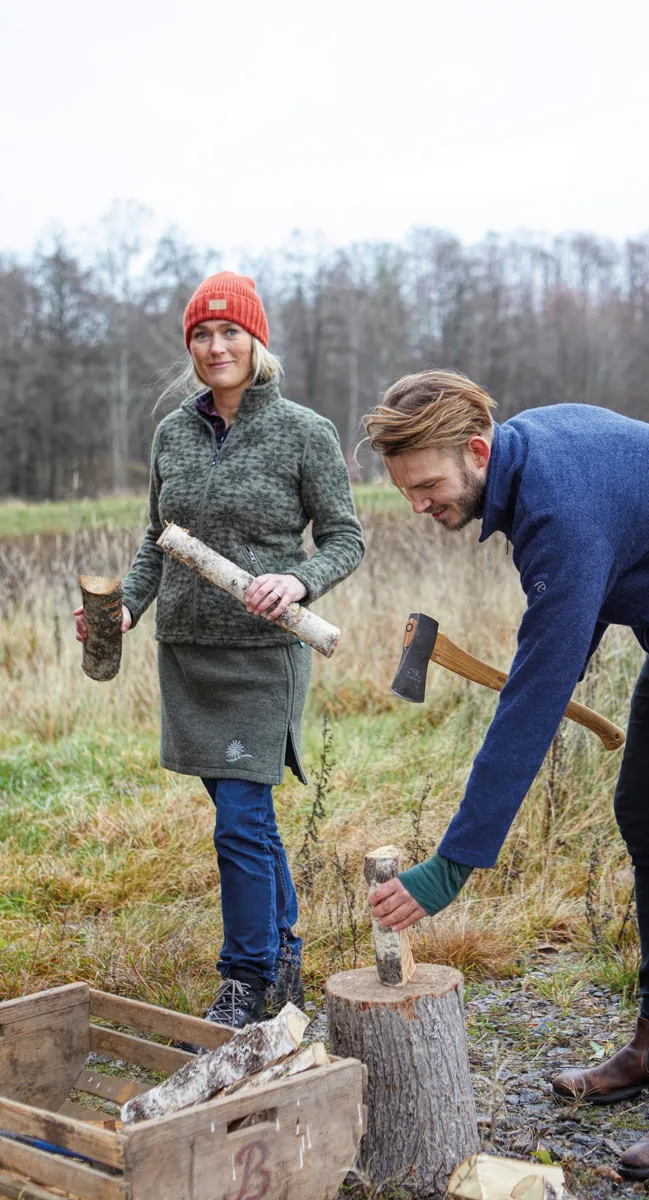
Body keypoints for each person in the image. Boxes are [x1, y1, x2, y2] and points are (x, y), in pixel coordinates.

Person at [362, 370, 649, 1179]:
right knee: (645, 812)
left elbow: (531, 702)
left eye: (426, 485)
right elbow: (587, 589)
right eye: (405, 489)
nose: (418, 506)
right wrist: (558, 655)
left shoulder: (560, 509)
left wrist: (450, 868)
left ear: (478, 451)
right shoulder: (535, 466)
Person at [75, 272, 364, 1038]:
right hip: (189, 654)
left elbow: (345, 539)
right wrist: (126, 607)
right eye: (201, 335)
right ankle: (286, 948)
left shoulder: (306, 431)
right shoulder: (173, 431)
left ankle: (245, 976)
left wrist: (298, 580)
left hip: (264, 652)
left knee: (238, 817)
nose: (215, 346)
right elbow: (155, 538)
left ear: (255, 340)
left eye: (229, 331)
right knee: (250, 815)